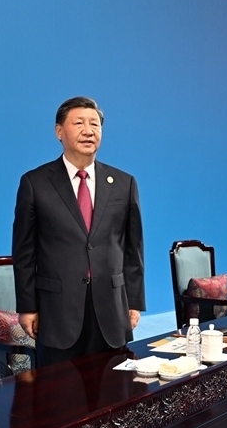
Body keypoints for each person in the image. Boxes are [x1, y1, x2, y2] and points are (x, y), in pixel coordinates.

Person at [12, 97, 145, 368]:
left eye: (94, 124)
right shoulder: (35, 183)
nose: (88, 131)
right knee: (60, 390)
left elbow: (134, 249)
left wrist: (134, 302)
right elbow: (24, 252)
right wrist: (27, 306)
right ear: (59, 131)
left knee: (114, 386)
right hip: (57, 311)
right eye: (79, 123)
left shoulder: (124, 183)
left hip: (111, 309)